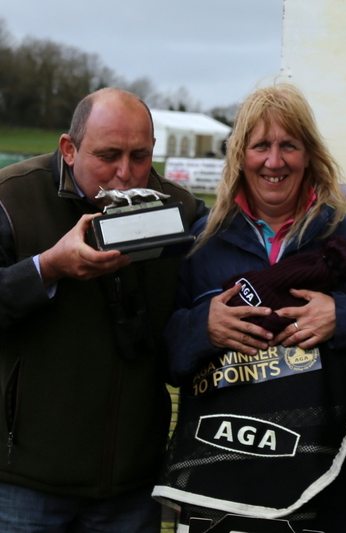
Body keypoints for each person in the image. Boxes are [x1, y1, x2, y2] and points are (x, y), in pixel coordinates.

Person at [152, 82, 346, 533]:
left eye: (288, 145)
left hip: (325, 484)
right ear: (240, 155)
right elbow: (162, 355)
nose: (275, 161)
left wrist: (342, 315)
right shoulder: (201, 245)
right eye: (261, 146)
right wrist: (203, 326)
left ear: (309, 154)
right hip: (218, 479)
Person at [0, 88, 206, 531]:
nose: (125, 174)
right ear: (69, 149)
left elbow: (242, 249)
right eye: (109, 155)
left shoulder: (180, 208)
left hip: (131, 486)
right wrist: (47, 269)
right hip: (23, 481)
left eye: (140, 156)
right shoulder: (11, 200)